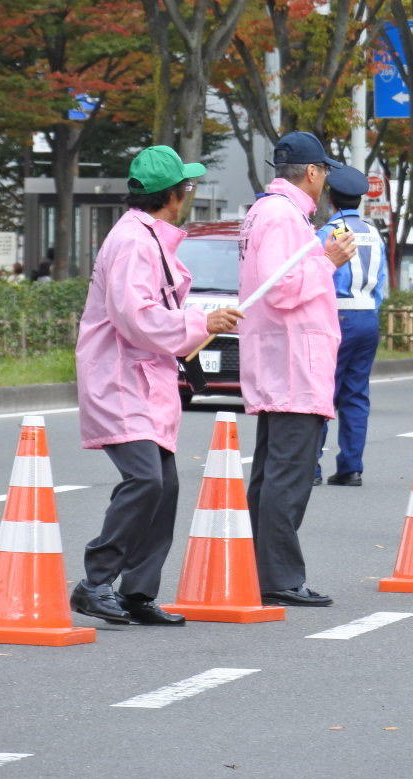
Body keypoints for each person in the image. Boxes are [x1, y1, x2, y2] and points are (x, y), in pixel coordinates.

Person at [71, 146, 244, 626]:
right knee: (146, 480)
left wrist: (201, 322)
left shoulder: (147, 237)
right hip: (121, 379)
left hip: (141, 381)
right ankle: (95, 582)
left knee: (163, 485)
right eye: (186, 188)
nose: (187, 196)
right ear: (173, 194)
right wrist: (200, 321)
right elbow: (137, 318)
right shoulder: (133, 242)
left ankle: (137, 593)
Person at [241, 131, 354, 608]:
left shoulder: (268, 213)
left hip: (281, 360)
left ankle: (260, 570)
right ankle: (280, 577)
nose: (325, 179)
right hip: (293, 364)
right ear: (312, 172)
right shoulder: (284, 217)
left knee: (273, 475)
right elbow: (282, 287)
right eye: (324, 170)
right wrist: (328, 261)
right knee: (288, 476)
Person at [315, 164, 388, 487]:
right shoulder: (373, 233)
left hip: (336, 315)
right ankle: (351, 467)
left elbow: (317, 278)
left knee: (322, 392)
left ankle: (310, 466)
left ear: (331, 199)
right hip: (367, 317)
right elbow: (382, 284)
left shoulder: (326, 233)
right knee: (356, 394)